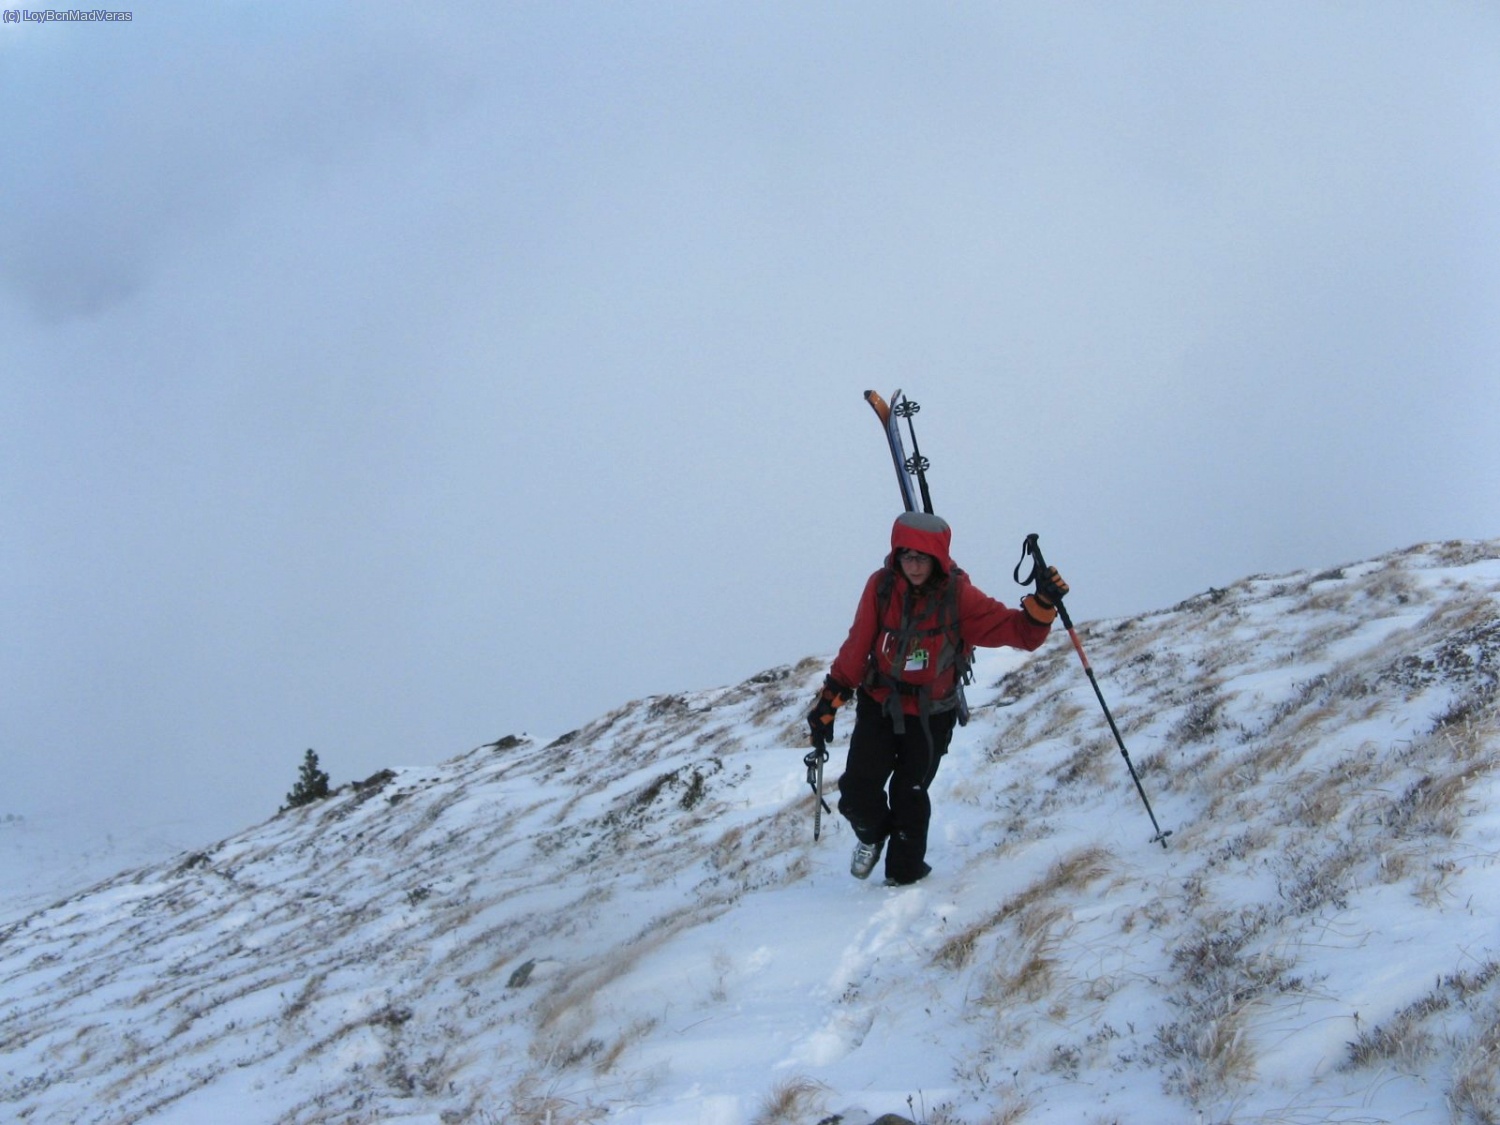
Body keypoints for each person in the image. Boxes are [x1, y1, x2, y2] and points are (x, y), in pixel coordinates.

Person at [806, 511, 1069, 885]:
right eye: (907, 556)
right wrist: (830, 699)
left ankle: (904, 878)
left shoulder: (958, 597)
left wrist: (1043, 604)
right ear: (896, 555)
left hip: (932, 713)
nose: (914, 566)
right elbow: (858, 642)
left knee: (909, 795)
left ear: (937, 559)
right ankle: (872, 836)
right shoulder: (881, 587)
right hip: (880, 703)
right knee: (856, 795)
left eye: (922, 557)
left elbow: (1020, 632)